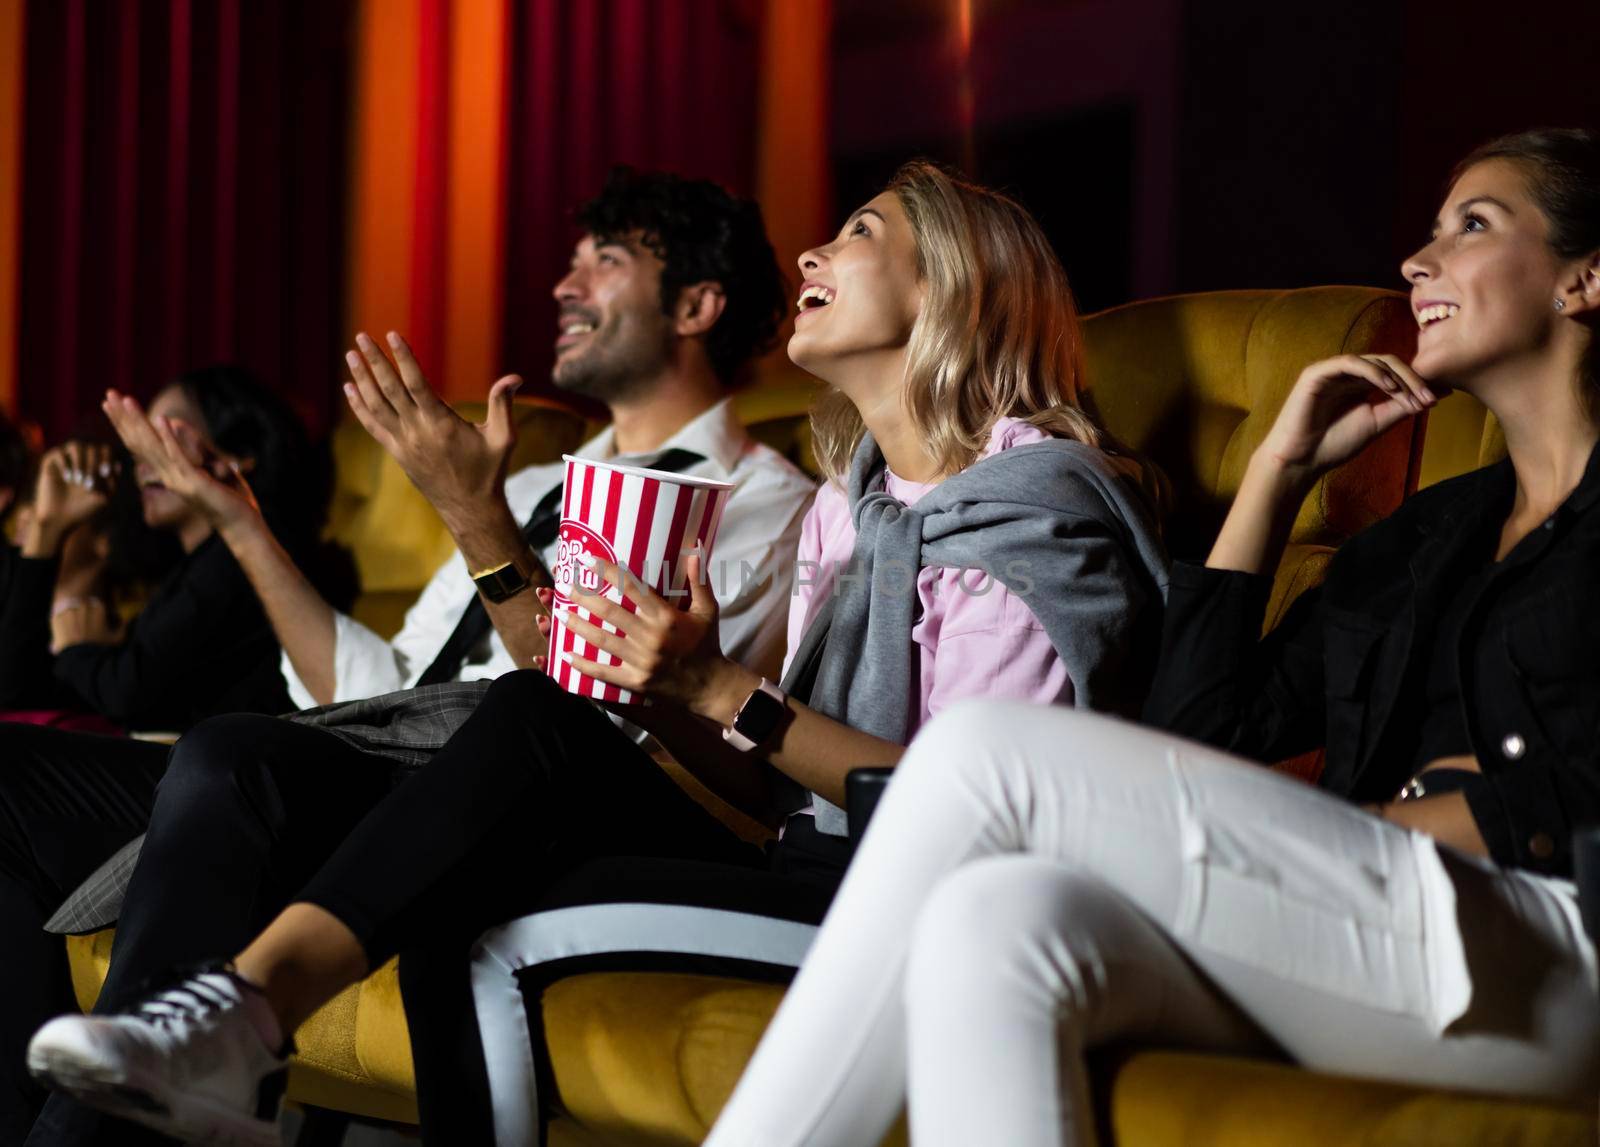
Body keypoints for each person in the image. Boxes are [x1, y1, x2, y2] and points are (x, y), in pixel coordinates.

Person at [27, 160, 1172, 1146]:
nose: (815, 248)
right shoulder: (851, 509)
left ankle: (241, 1012)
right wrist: (689, 691)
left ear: (957, 288)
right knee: (243, 752)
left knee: (535, 725)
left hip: (896, 891)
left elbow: (960, 807)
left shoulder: (1033, 515)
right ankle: (213, 1035)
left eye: (862, 231)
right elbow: (752, 776)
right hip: (722, 822)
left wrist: (717, 688)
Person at [697, 127, 1600, 1147]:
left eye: (1471, 225)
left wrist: (1372, 840)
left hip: (1550, 947)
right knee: (991, 920)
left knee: (979, 754)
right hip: (1380, 921)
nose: (1416, 259)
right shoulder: (1427, 542)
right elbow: (1202, 728)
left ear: (1585, 278)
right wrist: (1274, 474)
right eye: (1430, 228)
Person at [14, 166, 814, 1147]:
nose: (564, 286)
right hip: (368, 757)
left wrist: (474, 522)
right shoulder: (526, 484)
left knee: (232, 755)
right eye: (569, 262)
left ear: (696, 304)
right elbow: (382, 687)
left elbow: (590, 715)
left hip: (504, 798)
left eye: (604, 262)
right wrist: (241, 523)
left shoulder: (762, 503)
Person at [0, 366, 329, 1146]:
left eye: (168, 432)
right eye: (138, 437)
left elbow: (124, 687)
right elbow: (25, 682)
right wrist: (51, 544)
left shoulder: (248, 557)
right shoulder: (175, 568)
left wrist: (77, 624)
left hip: (226, 796)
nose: (143, 455)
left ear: (238, 455)